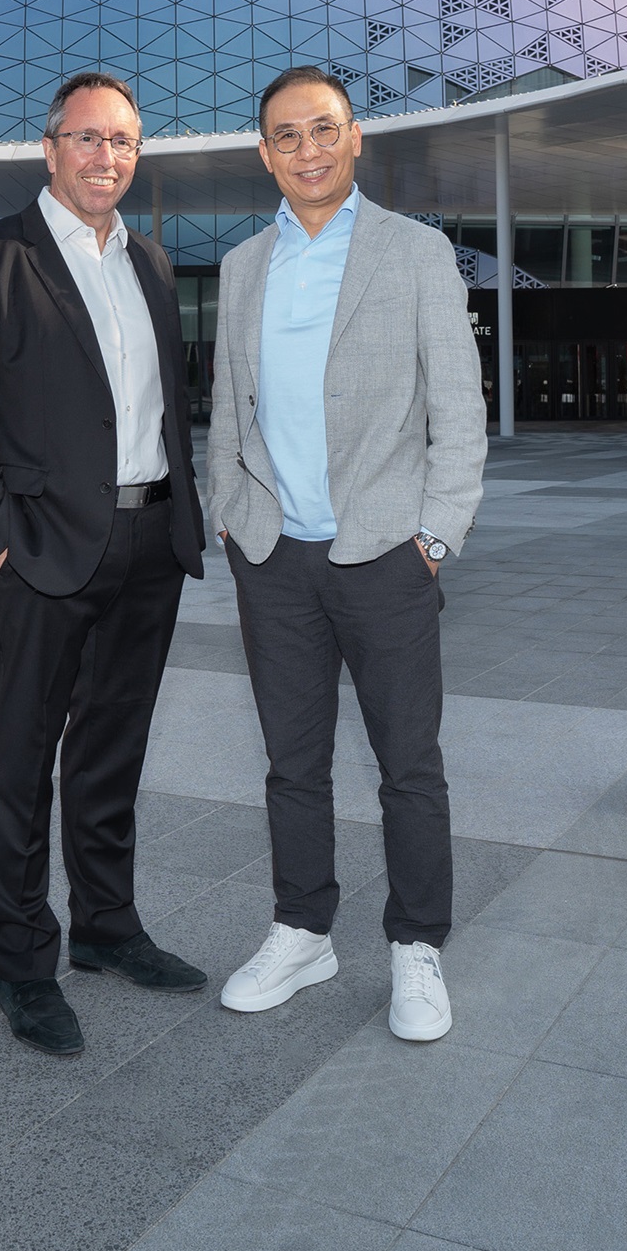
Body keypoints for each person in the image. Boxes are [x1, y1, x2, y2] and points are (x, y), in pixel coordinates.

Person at [0, 70, 211, 1058]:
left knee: (111, 750)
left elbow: (159, 408)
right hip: (41, 549)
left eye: (124, 142)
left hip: (148, 542)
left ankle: (105, 927)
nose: (106, 158)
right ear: (48, 148)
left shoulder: (151, 264)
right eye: (87, 139)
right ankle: (22, 964)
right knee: (20, 760)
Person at [206, 65, 487, 1042]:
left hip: (385, 554)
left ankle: (416, 947)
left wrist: (435, 535)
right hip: (275, 559)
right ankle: (301, 928)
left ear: (354, 137)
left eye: (321, 129)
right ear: (264, 153)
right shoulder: (244, 268)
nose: (306, 150)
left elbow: (457, 408)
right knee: (291, 763)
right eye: (284, 135)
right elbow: (225, 414)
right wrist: (235, 520)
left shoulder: (414, 255)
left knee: (407, 764)